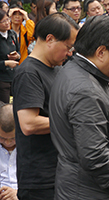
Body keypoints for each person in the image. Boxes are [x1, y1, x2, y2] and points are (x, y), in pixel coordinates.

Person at [49, 15, 109, 199]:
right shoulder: (85, 91)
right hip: (90, 191)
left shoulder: (73, 71)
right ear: (101, 52)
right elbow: (94, 155)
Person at [12, 13, 79, 200]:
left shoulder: (57, 69)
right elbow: (29, 124)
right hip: (39, 178)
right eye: (68, 47)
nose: (70, 53)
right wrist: (74, 121)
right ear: (50, 39)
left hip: (60, 170)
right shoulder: (28, 72)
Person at [0, 9, 19, 103]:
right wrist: (6, 63)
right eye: (3, 21)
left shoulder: (12, 34)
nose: (7, 23)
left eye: (8, 19)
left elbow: (18, 51)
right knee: (5, 107)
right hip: (2, 80)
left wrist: (17, 56)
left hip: (14, 76)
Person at [0, 103, 18, 200]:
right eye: (2, 138)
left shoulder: (30, 147)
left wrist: (18, 193)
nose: (7, 143)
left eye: (13, 138)